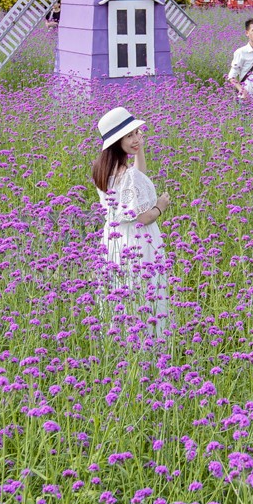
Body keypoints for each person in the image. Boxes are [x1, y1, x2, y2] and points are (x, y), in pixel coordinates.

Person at [93, 106, 171, 343]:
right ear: (117, 142)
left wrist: (139, 150)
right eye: (129, 136)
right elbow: (143, 216)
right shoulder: (127, 174)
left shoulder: (102, 169)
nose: (136, 138)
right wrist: (161, 205)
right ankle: (149, 348)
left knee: (122, 292)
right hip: (139, 242)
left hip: (114, 241)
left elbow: (137, 180)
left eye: (137, 132)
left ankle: (121, 346)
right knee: (144, 296)